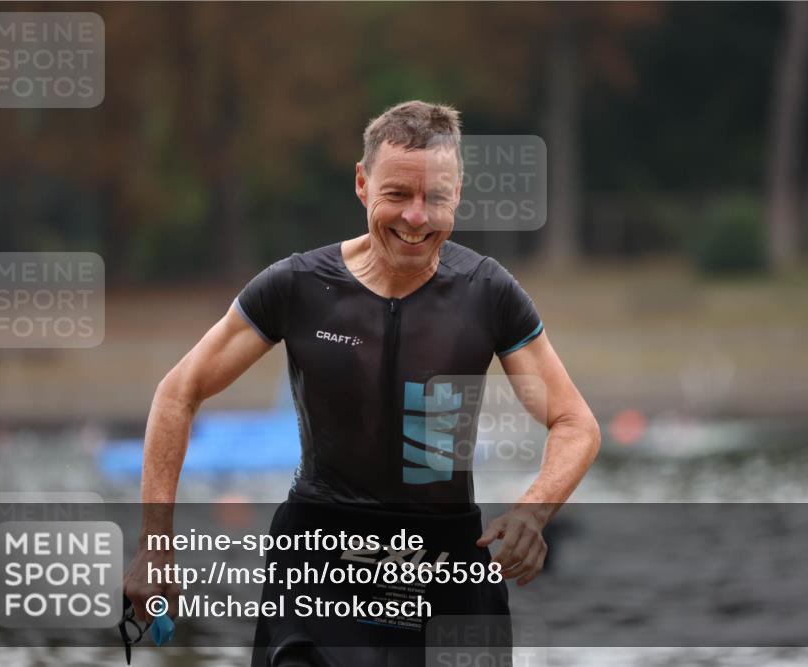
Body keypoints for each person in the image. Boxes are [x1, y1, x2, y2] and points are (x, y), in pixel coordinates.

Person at [123, 100, 601, 665]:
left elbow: (575, 423)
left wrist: (534, 509)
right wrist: (156, 548)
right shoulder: (298, 285)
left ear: (458, 194)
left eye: (435, 198)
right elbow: (178, 392)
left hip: (447, 563)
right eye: (397, 195)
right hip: (320, 558)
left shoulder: (486, 292)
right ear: (361, 183)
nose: (416, 218)